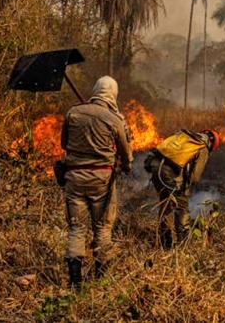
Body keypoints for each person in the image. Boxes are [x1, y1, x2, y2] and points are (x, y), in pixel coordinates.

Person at [60, 76, 133, 289]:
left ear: (95, 90)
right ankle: (100, 279)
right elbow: (125, 153)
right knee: (102, 227)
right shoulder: (114, 119)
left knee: (76, 227)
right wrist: (126, 167)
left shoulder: (73, 113)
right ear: (113, 94)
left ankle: (75, 282)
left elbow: (64, 143)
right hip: (102, 181)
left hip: (74, 178)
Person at [145, 129, 219, 249]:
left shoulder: (186, 136)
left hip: (155, 166)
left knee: (166, 204)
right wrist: (184, 189)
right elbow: (195, 177)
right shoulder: (202, 146)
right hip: (168, 173)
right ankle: (182, 243)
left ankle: (165, 242)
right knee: (181, 206)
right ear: (212, 144)